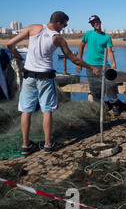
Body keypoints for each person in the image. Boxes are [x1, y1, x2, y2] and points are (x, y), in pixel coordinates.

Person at [6, 11, 101, 155]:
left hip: (28, 77)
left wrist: (15, 54)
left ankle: (26, 145)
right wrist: (92, 67)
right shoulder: (57, 38)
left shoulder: (33, 28)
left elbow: (9, 43)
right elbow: (74, 59)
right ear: (58, 23)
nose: (64, 27)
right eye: (64, 24)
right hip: (45, 78)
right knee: (47, 111)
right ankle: (48, 144)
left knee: (26, 111)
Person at [76, 15, 121, 116]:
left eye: (96, 21)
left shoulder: (107, 37)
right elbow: (80, 47)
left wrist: (113, 64)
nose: (95, 23)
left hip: (104, 65)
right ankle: (99, 108)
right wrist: (79, 62)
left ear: (100, 22)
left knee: (110, 85)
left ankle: (114, 104)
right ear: (91, 24)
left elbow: (109, 52)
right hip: (90, 66)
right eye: (93, 22)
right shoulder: (88, 34)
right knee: (94, 88)